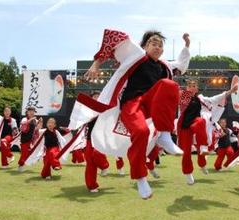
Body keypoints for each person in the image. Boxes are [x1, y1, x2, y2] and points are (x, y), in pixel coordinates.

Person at [74, 29, 190, 199]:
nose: (157, 47)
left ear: (163, 51)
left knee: (169, 84)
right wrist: (96, 64)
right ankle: (141, 178)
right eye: (153, 44)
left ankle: (165, 135)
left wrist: (186, 45)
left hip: (150, 103)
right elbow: (114, 38)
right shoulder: (137, 54)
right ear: (145, 46)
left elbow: (181, 63)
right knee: (141, 132)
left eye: (160, 45)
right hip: (132, 104)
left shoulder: (165, 65)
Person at [17, 106, 42, 172]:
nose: (31, 113)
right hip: (24, 139)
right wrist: (30, 120)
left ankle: (22, 164)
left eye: (33, 111)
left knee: (29, 153)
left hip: (32, 140)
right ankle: (20, 165)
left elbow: (37, 128)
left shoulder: (35, 120)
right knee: (24, 154)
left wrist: (40, 122)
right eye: (30, 111)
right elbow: (22, 127)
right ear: (27, 112)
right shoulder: (24, 119)